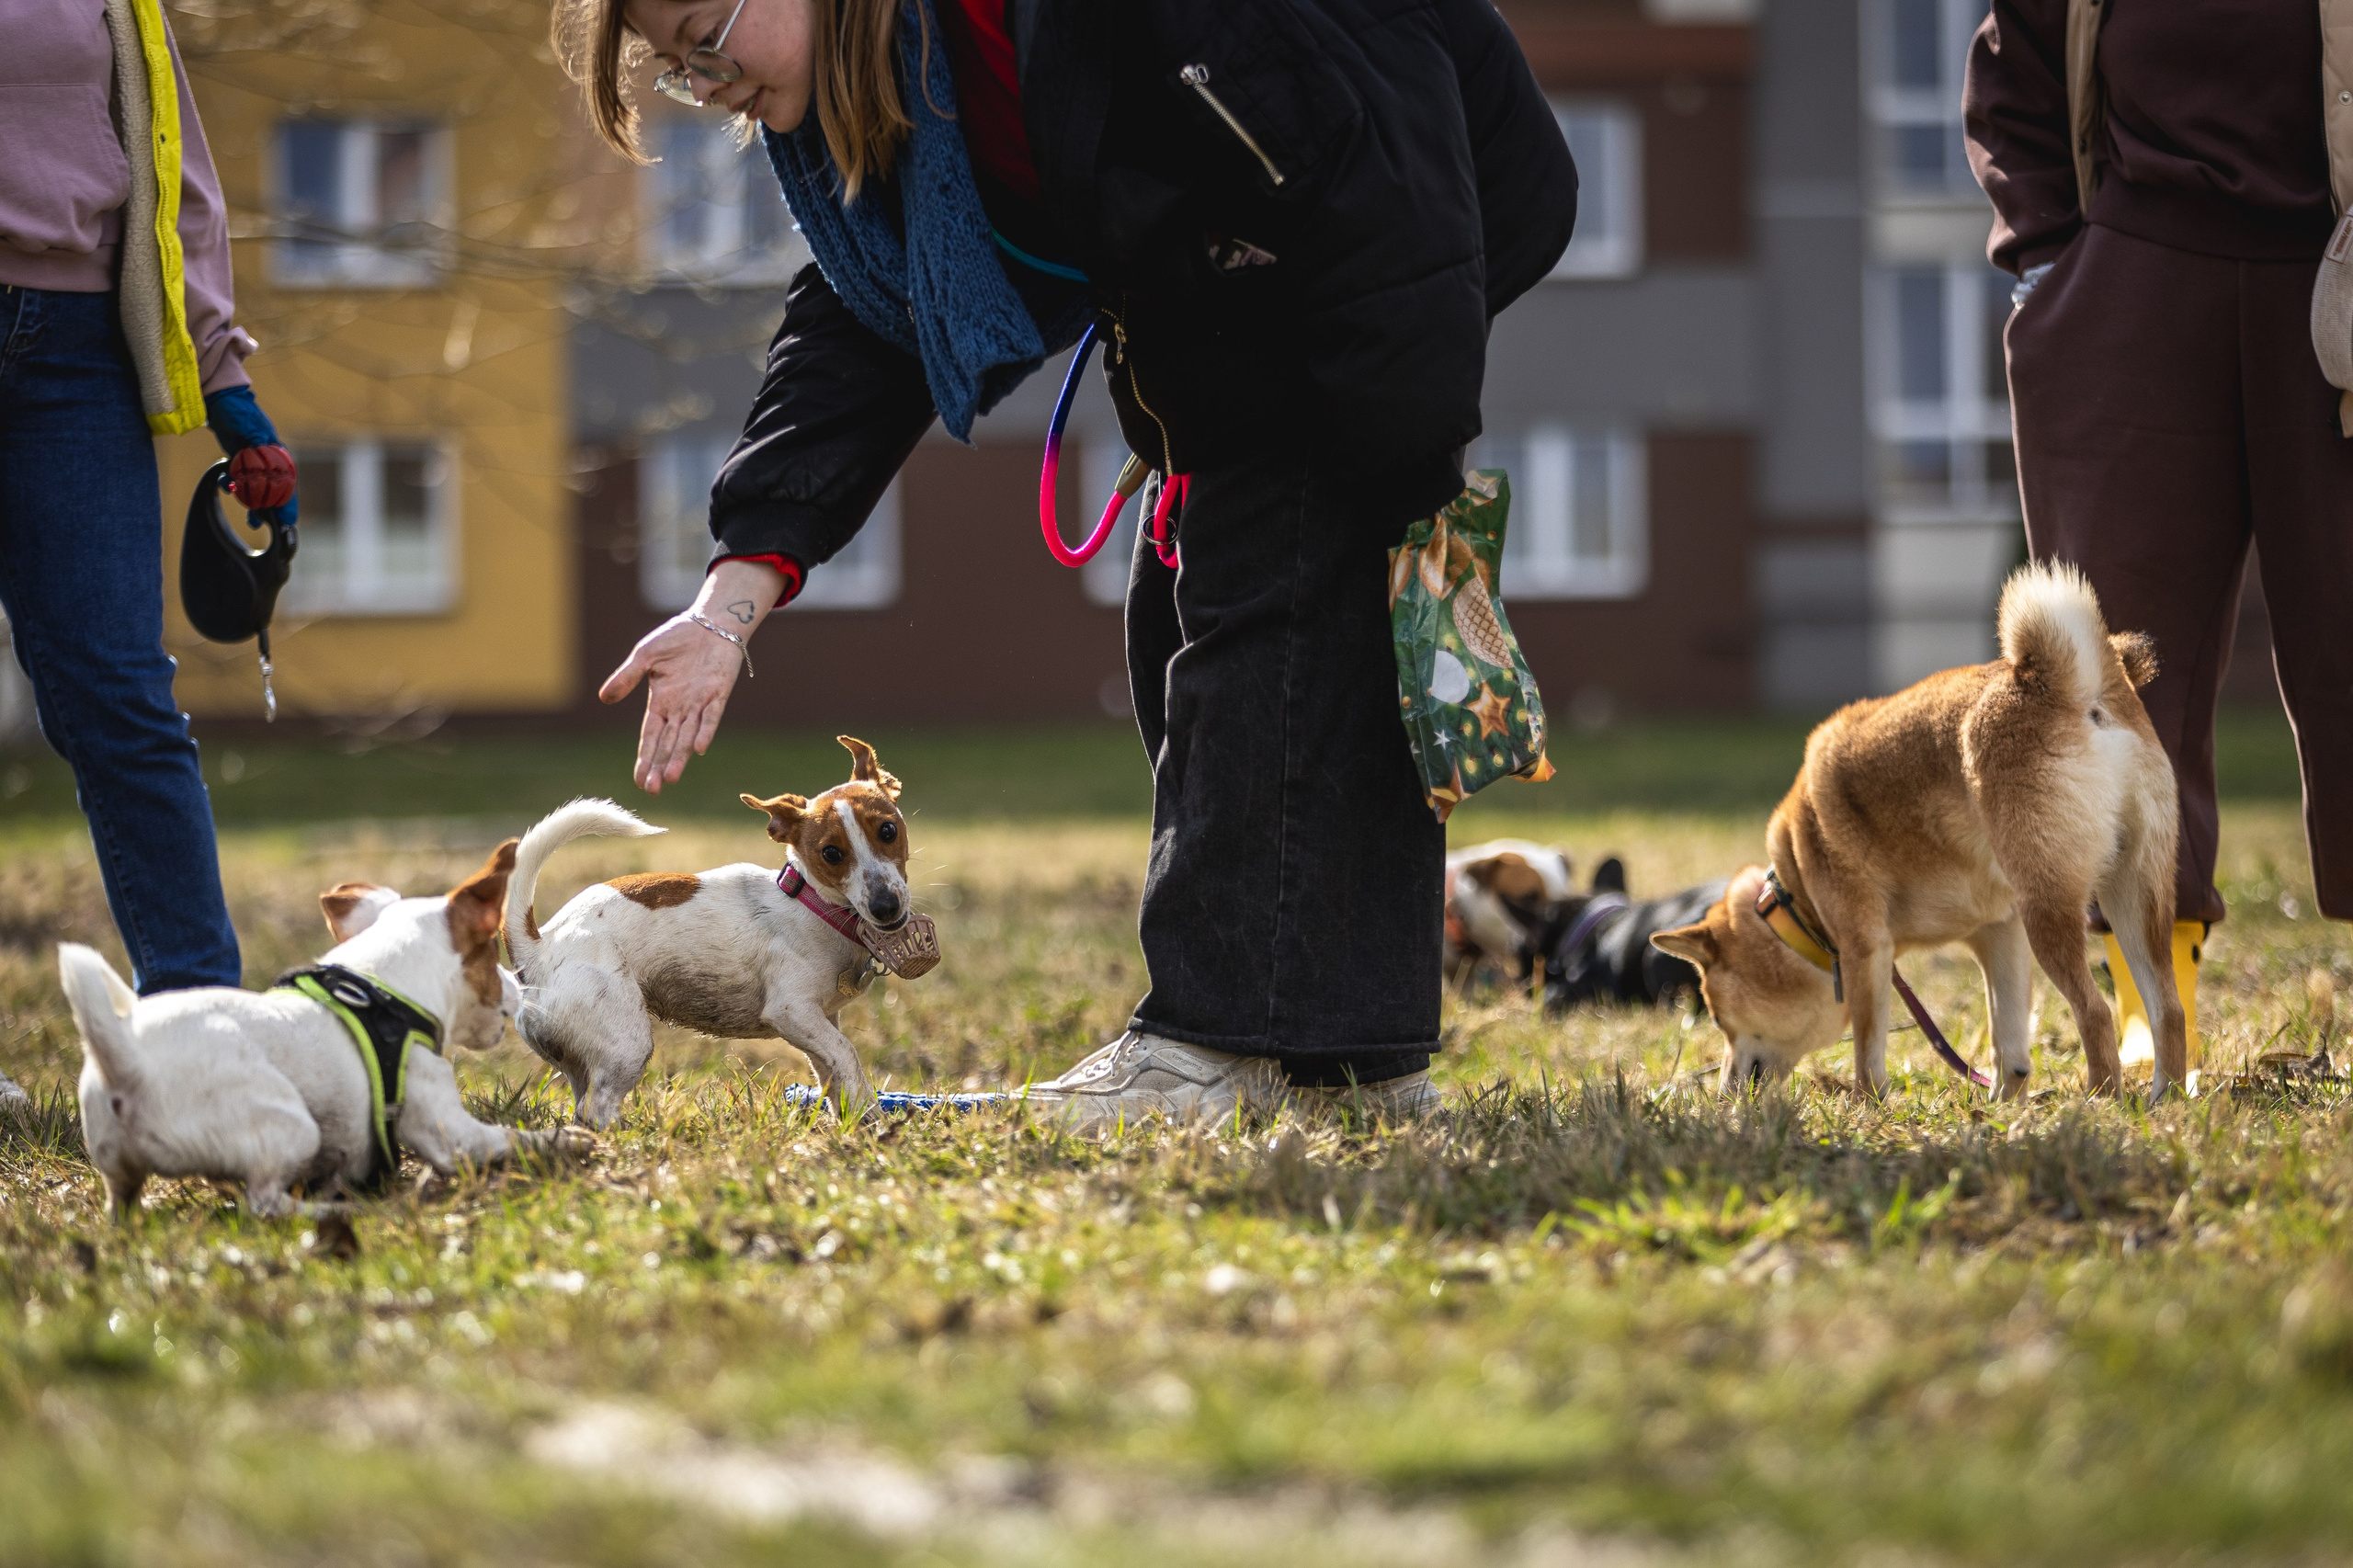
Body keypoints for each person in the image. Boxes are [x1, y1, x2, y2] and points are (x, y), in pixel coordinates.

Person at [558, 0, 1575, 1129]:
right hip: (1247, 276)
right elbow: (869, 319)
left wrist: (1396, 486)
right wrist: (726, 600)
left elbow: (1383, 172)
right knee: (1179, 614)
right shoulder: (909, 93)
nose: (707, 86)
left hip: (1382, 238)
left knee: (1276, 616)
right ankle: (1348, 1065)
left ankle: (1217, 1045)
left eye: (705, 37)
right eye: (677, 71)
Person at [1967, 0, 2353, 1068]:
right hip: (2135, 278)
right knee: (2116, 670)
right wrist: (2051, 267)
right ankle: (2152, 1000)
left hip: (2340, 258)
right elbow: (2017, 66)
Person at [0, 0, 298, 1039]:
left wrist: (227, 386)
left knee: (121, 697)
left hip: (78, 350)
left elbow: (175, 175)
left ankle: (207, 1027)